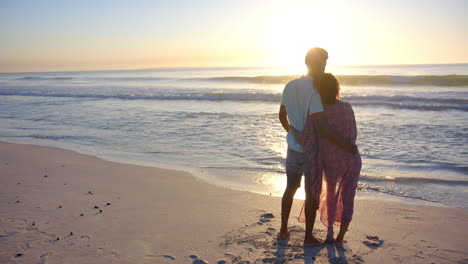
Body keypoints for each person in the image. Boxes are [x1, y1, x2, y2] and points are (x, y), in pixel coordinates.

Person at [278, 48, 357, 246]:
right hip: (310, 152)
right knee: (311, 192)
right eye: (324, 62)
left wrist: (293, 133)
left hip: (292, 148)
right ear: (320, 63)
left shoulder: (290, 85)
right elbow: (321, 126)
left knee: (290, 188)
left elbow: (281, 115)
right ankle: (308, 237)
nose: (324, 66)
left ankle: (283, 230)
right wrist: (345, 145)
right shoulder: (316, 89)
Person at [299, 73, 362, 248]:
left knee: (332, 196)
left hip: (330, 159)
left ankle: (329, 234)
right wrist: (347, 145)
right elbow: (353, 133)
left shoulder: (317, 112)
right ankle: (340, 238)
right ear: (336, 88)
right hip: (352, 158)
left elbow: (308, 136)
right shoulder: (347, 106)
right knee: (348, 197)